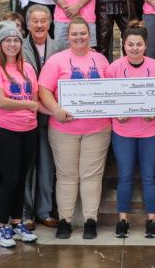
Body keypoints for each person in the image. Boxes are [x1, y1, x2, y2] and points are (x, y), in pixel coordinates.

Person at [38, 18, 111, 240]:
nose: (79, 37)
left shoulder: (101, 60)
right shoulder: (56, 61)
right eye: (74, 34)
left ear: (89, 35)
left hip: (97, 128)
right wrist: (56, 110)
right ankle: (65, 221)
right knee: (66, 176)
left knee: (92, 175)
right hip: (63, 128)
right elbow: (43, 90)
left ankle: (90, 220)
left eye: (83, 33)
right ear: (67, 36)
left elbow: (112, 90)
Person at [105, 21, 155, 239]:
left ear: (145, 45)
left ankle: (152, 220)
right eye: (130, 44)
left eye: (138, 44)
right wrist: (115, 112)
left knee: (150, 177)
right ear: (124, 45)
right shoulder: (113, 68)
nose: (134, 48)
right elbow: (106, 98)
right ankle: (123, 220)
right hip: (123, 131)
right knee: (125, 176)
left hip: (151, 131)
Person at [0, 22, 42, 248]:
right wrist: (28, 104)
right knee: (8, 179)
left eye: (16, 40)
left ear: (21, 44)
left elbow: (36, 99)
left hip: (29, 129)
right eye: (7, 40)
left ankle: (17, 223)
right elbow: (0, 101)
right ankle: (1, 226)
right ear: (0, 44)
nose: (12, 44)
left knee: (21, 178)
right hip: (4, 130)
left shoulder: (27, 68)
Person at [22, 5, 63, 229]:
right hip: (25, 116)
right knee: (26, 166)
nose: (39, 25)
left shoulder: (59, 48)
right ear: (28, 24)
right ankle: (26, 212)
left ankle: (44, 210)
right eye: (35, 21)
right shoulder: (18, 47)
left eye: (43, 21)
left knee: (47, 166)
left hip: (50, 116)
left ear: (49, 23)